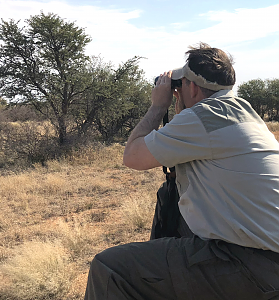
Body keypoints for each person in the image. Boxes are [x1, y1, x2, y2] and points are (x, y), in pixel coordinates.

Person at [84, 43, 279, 300]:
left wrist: (158, 106)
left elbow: (132, 157)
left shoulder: (203, 117)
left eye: (180, 85)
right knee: (174, 211)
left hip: (248, 265)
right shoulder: (243, 112)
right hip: (267, 256)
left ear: (193, 87)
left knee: (110, 267)